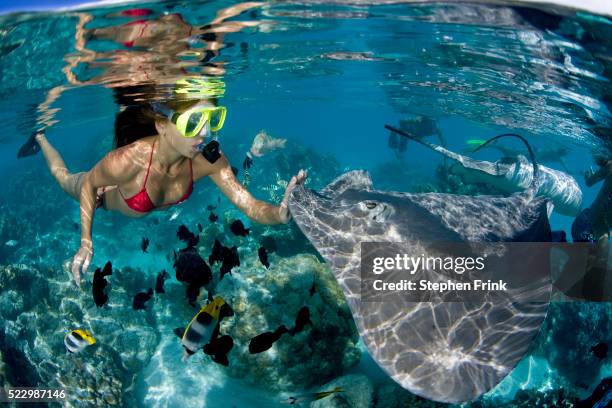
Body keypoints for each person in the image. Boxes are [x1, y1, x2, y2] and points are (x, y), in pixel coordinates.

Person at [26, 84, 306, 287]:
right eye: (193, 122)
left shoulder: (208, 160)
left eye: (213, 120)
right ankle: (39, 136)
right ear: (162, 125)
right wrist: (86, 242)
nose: (204, 133)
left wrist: (281, 214)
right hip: (103, 194)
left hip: (133, 196)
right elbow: (89, 184)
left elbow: (251, 205)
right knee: (64, 177)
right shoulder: (130, 159)